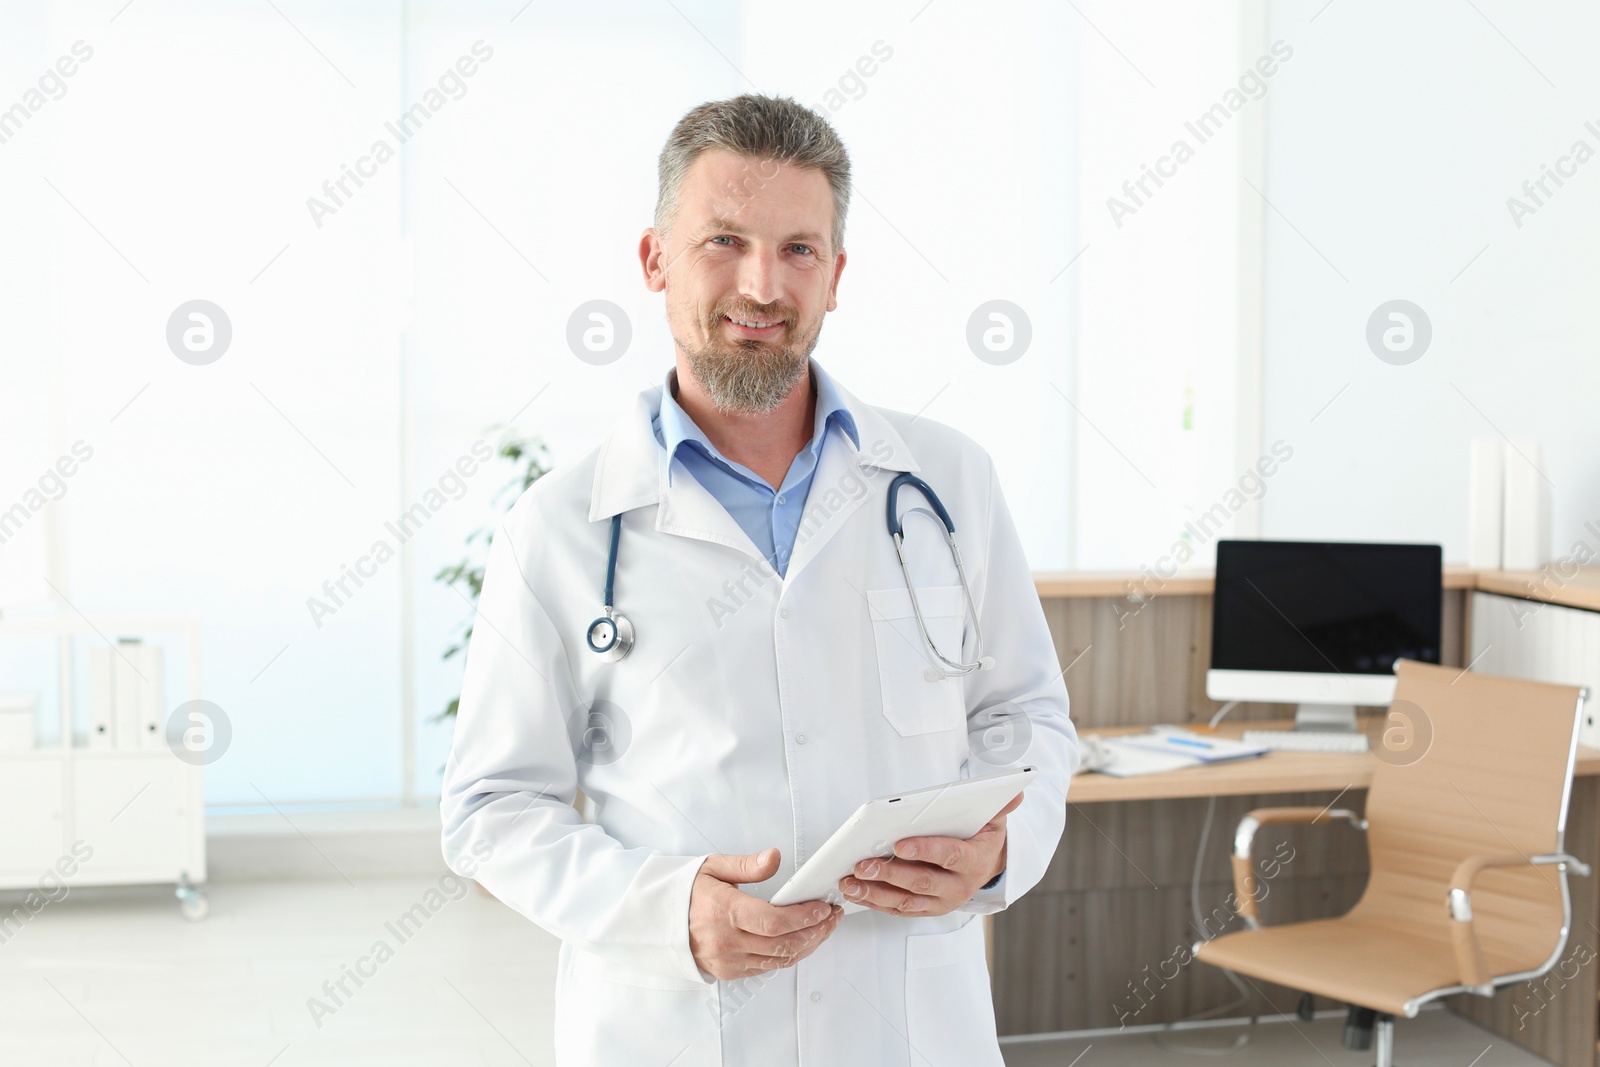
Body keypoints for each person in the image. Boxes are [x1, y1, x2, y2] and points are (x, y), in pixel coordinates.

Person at [441, 93, 1077, 1067]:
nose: (761, 283)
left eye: (798, 249)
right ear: (654, 260)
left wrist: (999, 852)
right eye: (723, 240)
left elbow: (1027, 717)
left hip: (910, 1023)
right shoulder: (562, 526)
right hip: (673, 1028)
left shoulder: (947, 482)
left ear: (835, 275)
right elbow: (491, 810)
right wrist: (667, 910)